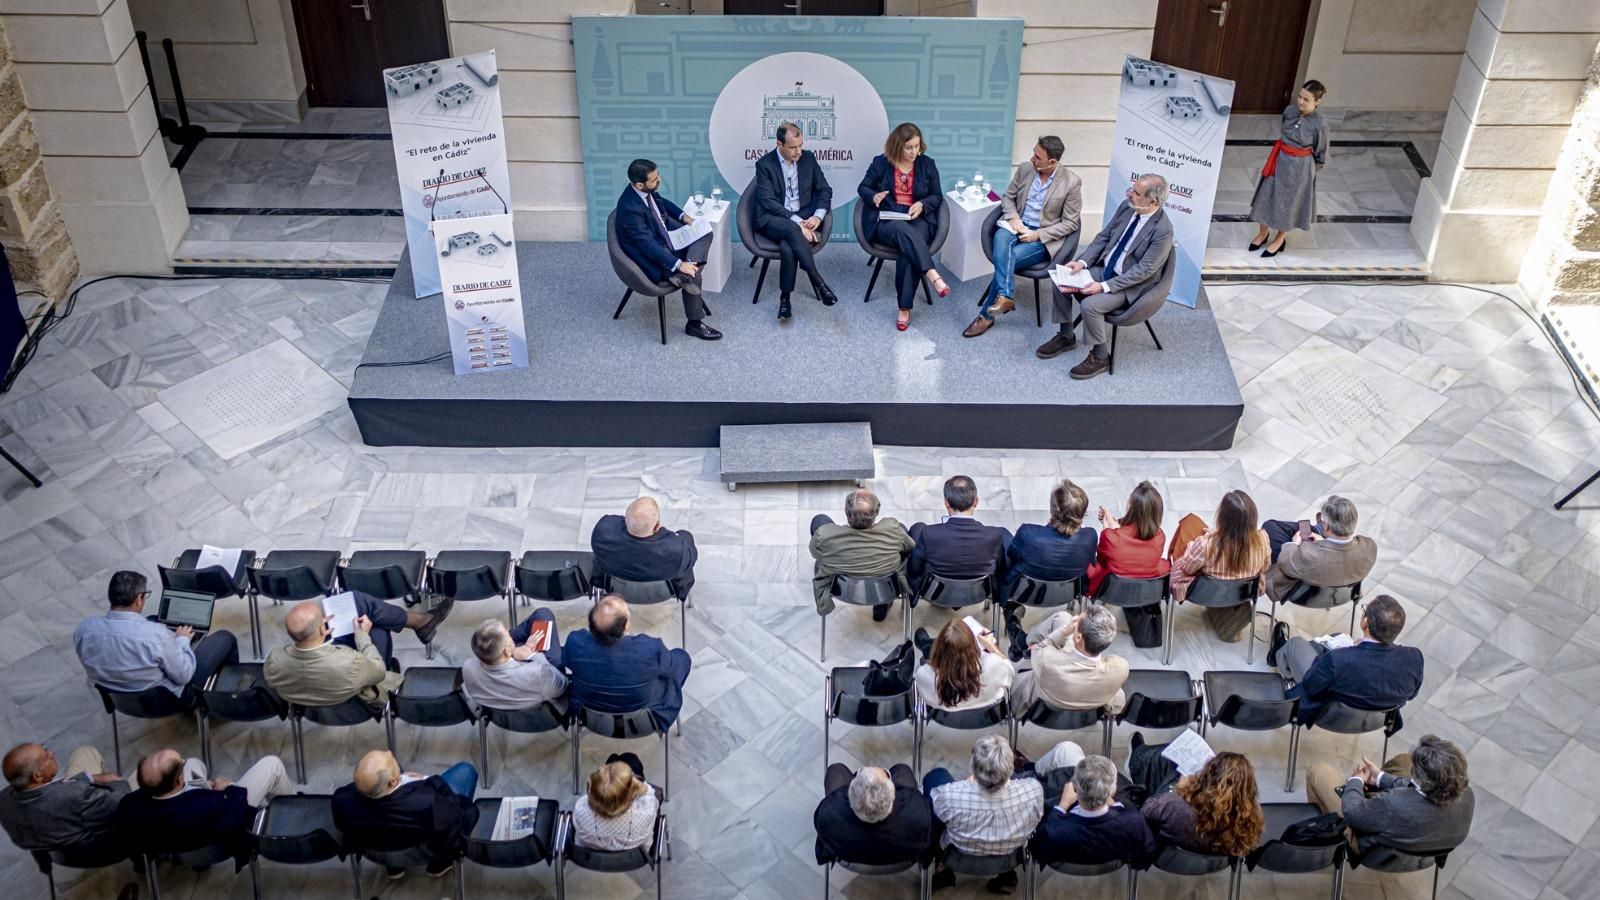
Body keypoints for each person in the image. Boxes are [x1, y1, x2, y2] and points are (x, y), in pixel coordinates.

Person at [1038, 173, 1173, 381]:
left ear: (1152, 201)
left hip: (1128, 285)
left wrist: (1103, 286)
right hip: (1106, 267)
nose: (1129, 194)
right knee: (1061, 279)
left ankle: (1101, 357)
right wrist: (1082, 262)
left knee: (1090, 306)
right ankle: (1066, 335)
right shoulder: (1127, 207)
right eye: (1132, 188)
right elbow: (1105, 237)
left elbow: (1144, 271)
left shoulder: (1163, 230)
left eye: (1136, 193)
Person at [965, 136, 1083, 337]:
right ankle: (1006, 296)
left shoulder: (1071, 183)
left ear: (1052, 162)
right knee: (1001, 239)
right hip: (1015, 225)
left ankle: (985, 316)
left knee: (1006, 259)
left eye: (1037, 157)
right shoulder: (1025, 169)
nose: (1032, 158)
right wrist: (1013, 217)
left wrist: (1038, 234)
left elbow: (1071, 223)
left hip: (1040, 237)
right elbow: (1008, 197)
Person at [73, 570, 239, 699]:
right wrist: (182, 641)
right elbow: (184, 675)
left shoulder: (84, 630)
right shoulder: (156, 635)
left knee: (152, 619)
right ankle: (226, 694)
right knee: (225, 638)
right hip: (165, 700)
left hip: (118, 697)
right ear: (139, 599)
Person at [1270, 594, 1424, 728]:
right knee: (1332, 639)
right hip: (1374, 719)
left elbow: (1311, 686)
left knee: (1295, 644)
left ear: (1365, 622)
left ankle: (1283, 662)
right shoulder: (1415, 658)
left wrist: (1338, 656)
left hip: (1332, 714)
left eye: (1364, 610)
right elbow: (1410, 695)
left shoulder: (1338, 660)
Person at [1305, 734, 1474, 854]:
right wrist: (1379, 778)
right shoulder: (1468, 795)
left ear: (1424, 780)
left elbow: (1352, 812)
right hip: (1427, 839)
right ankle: (1373, 784)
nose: (1413, 769)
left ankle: (1324, 837)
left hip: (1374, 846)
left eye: (1415, 771)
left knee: (1319, 771)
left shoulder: (1392, 803)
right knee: (1404, 760)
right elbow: (1414, 788)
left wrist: (1356, 781)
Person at [614, 157, 721, 341]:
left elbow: (661, 202)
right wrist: (678, 264)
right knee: (692, 274)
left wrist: (684, 217)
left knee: (705, 233)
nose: (659, 181)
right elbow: (648, 246)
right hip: (650, 257)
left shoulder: (647, 191)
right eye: (654, 180)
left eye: (658, 176)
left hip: (666, 239)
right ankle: (694, 324)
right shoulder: (630, 209)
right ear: (639, 185)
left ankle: (686, 273)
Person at [923, 734, 1043, 893]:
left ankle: (943, 871)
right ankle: (1007, 878)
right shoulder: (1033, 791)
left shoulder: (949, 796)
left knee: (937, 776)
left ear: (972, 766)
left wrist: (966, 787)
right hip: (1009, 858)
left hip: (955, 856)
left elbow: (937, 812)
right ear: (1012, 768)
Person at [116, 748, 291, 856]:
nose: (183, 764)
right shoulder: (211, 804)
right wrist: (228, 788)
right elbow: (238, 814)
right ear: (179, 781)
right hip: (215, 839)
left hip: (174, 838)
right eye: (181, 766)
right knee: (272, 765)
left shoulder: (127, 806)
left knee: (194, 763)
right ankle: (289, 815)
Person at [332, 750, 478, 879]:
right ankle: (441, 862)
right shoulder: (427, 801)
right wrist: (425, 780)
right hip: (423, 851)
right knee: (466, 771)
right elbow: (454, 817)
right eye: (388, 757)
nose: (389, 751)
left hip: (377, 850)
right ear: (393, 782)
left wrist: (403, 779)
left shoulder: (341, 802)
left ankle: (393, 866)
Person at [856, 122, 946, 331]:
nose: (914, 151)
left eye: (916, 146)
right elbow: (863, 187)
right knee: (903, 232)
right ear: (897, 146)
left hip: (918, 218)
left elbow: (937, 196)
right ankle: (932, 273)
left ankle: (904, 308)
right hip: (888, 219)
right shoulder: (881, 163)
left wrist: (922, 204)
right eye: (908, 147)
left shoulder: (927, 164)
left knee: (908, 248)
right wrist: (874, 196)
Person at [563, 594, 692, 728]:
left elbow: (564, 661)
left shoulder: (575, 643)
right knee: (682, 657)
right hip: (644, 720)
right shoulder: (650, 649)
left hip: (589, 714)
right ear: (626, 626)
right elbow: (673, 667)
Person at [753, 121, 837, 319]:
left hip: (805, 216)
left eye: (800, 145)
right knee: (793, 231)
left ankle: (785, 299)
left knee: (788, 246)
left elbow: (824, 190)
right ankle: (819, 282)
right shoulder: (765, 165)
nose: (798, 151)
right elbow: (767, 201)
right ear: (779, 145)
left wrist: (818, 216)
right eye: (793, 147)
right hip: (773, 218)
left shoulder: (808, 159)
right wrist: (797, 222)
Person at [1168, 491, 1270, 642]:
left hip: (1203, 592)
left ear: (1223, 517)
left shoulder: (1206, 545)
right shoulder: (1262, 539)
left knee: (1190, 522)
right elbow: (1265, 567)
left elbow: (1187, 568)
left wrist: (1191, 546)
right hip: (1243, 592)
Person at [264, 602, 403, 711]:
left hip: (310, 707)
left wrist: (320, 634)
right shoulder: (350, 662)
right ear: (322, 628)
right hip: (355, 707)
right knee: (379, 630)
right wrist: (362, 635)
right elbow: (379, 672)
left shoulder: (274, 661)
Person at [1134, 743, 1264, 858]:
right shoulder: (1250, 820)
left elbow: (1145, 810)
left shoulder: (1174, 805)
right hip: (1214, 858)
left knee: (1172, 770)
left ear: (1209, 776)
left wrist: (1179, 789)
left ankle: (1139, 757)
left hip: (1170, 856)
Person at [1248, 80, 1328, 258]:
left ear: (1317, 101)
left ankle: (1279, 239)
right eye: (1299, 97)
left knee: (1290, 204)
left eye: (1306, 99)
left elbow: (1321, 152)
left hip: (1301, 169)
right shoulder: (1289, 111)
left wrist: (1309, 173)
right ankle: (1263, 233)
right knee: (1266, 195)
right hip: (1280, 159)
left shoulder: (1319, 124)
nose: (1300, 101)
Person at [1030, 754, 1155, 868]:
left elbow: (1036, 850)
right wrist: (1116, 805)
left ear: (1075, 787)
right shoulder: (1134, 821)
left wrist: (1062, 805)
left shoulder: (1052, 829)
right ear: (1112, 790)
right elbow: (1147, 853)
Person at [809, 487, 915, 622]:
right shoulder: (893, 528)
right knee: (902, 529)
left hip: (844, 587)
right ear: (876, 513)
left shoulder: (825, 535)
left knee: (819, 520)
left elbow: (815, 553)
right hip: (884, 587)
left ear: (846, 512)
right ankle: (881, 605)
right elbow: (911, 547)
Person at [0, 743, 128, 853]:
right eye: (46, 756)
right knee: (146, 776)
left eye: (45, 748)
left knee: (85, 752)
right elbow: (123, 804)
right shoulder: (77, 795)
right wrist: (116, 781)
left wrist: (90, 778)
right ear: (37, 776)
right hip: (105, 846)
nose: (51, 753)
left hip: (58, 851)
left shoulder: (3, 800)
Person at [1085, 481, 1170, 647]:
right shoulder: (1160, 536)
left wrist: (1106, 529)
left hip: (1111, 591)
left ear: (1131, 506)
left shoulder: (1111, 537)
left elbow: (1102, 559)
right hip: (1144, 591)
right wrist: (1114, 525)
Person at [1005, 605, 1129, 715]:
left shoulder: (1047, 661)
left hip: (1042, 704)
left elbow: (1039, 648)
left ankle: (1019, 643)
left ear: (1079, 637)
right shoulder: (1121, 668)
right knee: (1062, 617)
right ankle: (1020, 642)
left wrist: (1063, 632)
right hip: (1092, 700)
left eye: (1076, 621)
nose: (1073, 621)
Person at [908, 475, 1012, 595]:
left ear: (946, 503)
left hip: (936, 593)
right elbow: (1002, 569)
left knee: (917, 529)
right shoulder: (997, 535)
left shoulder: (929, 533)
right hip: (979, 593)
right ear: (976, 502)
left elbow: (914, 568)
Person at [813, 763, 933, 867]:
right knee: (903, 770)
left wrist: (859, 775)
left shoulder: (828, 815)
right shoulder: (920, 815)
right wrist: (886, 774)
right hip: (900, 858)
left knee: (836, 770)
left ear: (849, 797)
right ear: (893, 796)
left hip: (849, 856)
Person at [1263, 495, 1377, 602]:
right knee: (1313, 529)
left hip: (1303, 595)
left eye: (1324, 522)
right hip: (1345, 594)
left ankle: (1318, 528)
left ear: (1326, 527)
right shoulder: (1370, 547)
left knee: (1270, 527)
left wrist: (1293, 543)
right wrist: (1324, 541)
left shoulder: (1307, 554)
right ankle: (1319, 530)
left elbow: (1285, 562)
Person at [590, 496, 698, 602]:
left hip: (615, 589)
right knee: (686, 535)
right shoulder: (678, 551)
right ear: (656, 527)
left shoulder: (602, 533)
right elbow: (691, 560)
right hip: (662, 593)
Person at [460, 612, 568, 712]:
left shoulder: (468, 668)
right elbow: (563, 685)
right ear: (507, 651)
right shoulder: (539, 673)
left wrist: (518, 651)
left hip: (501, 706)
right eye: (508, 635)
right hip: (541, 706)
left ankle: (501, 641)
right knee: (543, 615)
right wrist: (532, 655)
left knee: (541, 615)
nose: (510, 634)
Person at [1004, 479, 1096, 594]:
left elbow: (1012, 556)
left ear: (1053, 509)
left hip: (1023, 592)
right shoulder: (1090, 537)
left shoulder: (1028, 533)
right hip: (1067, 593)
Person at [914, 618, 1015, 712]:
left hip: (945, 717)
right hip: (987, 715)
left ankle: (927, 645)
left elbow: (924, 693)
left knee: (927, 656)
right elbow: (1010, 669)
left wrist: (934, 664)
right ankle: (926, 644)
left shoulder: (924, 675)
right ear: (974, 646)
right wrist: (991, 646)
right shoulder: (994, 665)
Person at [571, 753, 659, 851]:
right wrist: (642, 787)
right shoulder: (646, 812)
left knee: (613, 758)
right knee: (630, 759)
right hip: (636, 856)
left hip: (590, 854)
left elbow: (587, 799)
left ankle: (615, 759)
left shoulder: (580, 810)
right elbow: (651, 796)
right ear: (632, 795)